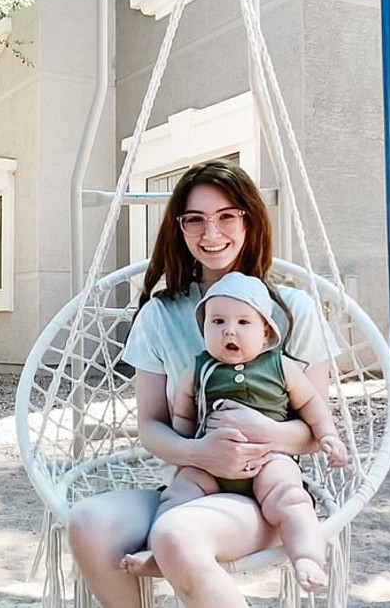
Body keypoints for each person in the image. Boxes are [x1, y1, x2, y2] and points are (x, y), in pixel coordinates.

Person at [67, 159, 340, 608]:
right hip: (194, 484)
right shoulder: (161, 314)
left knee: (176, 534)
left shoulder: (294, 309)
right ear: (179, 229)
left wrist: (266, 434)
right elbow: (152, 426)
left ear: (250, 220)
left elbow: (315, 431)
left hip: (269, 489)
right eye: (194, 219)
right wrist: (201, 453)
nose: (211, 233)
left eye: (227, 216)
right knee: (89, 522)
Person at [120, 271, 348, 591]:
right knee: (177, 495)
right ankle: (158, 554)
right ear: (203, 330)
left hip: (268, 459)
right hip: (209, 466)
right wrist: (189, 452)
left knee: (291, 498)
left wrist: (328, 436)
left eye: (243, 322)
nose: (230, 330)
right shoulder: (198, 369)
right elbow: (183, 414)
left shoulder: (280, 366)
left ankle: (307, 557)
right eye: (217, 322)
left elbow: (312, 403)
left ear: (265, 332)